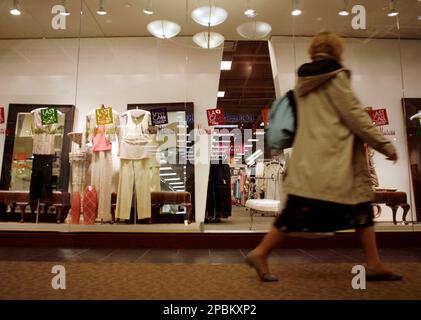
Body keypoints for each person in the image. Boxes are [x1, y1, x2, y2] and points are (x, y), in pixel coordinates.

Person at [245, 31, 402, 282]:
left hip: (309, 160)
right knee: (358, 207)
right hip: (335, 159)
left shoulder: (303, 83)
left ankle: (373, 262)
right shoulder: (335, 76)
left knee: (310, 211)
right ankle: (261, 251)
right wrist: (383, 144)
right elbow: (355, 114)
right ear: (337, 50)